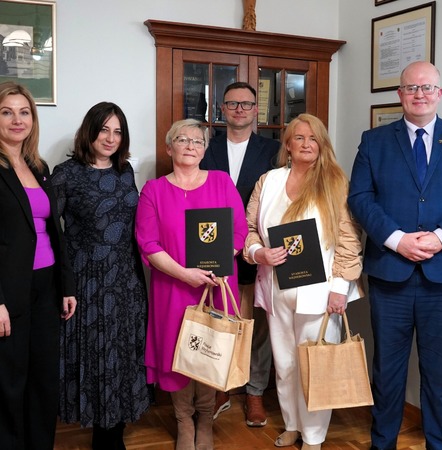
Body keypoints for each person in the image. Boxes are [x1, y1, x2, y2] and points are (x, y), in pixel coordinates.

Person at [244, 113, 363, 449]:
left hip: (321, 291)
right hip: (276, 287)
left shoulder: (335, 182)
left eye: (313, 138)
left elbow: (349, 239)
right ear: (288, 145)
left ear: (322, 144)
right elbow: (249, 229)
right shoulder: (268, 181)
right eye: (299, 138)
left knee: (315, 366)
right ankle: (293, 424)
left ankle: (313, 437)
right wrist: (257, 253)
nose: (306, 144)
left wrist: (340, 288)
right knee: (285, 364)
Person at [348, 61, 442, 450]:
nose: (419, 94)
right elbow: (360, 198)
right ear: (400, 94)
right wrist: (396, 239)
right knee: (387, 373)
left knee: (441, 374)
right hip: (391, 274)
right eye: (411, 88)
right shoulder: (374, 141)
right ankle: (382, 443)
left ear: (439, 93)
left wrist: (441, 237)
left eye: (427, 88)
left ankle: (440, 443)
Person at [135, 118, 248, 450]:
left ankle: (205, 419)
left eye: (198, 141)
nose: (190, 146)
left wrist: (218, 262)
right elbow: (148, 244)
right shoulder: (153, 190)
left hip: (216, 285)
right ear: (169, 148)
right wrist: (185, 274)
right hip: (173, 287)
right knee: (177, 351)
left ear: (204, 149)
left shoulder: (221, 182)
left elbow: (239, 231)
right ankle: (184, 420)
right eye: (183, 140)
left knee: (212, 347)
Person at [51, 102, 149, 449]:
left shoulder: (125, 171)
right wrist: (63, 284)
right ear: (89, 131)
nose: (111, 138)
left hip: (126, 279)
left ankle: (114, 432)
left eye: (118, 131)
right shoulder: (66, 174)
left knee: (122, 353)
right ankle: (99, 434)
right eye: (104, 129)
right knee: (94, 354)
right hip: (87, 280)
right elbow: (52, 233)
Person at [0, 81, 77, 450]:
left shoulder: (38, 166)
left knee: (43, 377)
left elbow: (53, 230)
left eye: (24, 112)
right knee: (9, 380)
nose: (17, 120)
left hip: (46, 287)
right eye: (6, 112)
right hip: (9, 289)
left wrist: (66, 286)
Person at [200, 81, 279, 427]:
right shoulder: (206, 147)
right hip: (212, 244)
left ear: (255, 110)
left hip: (257, 245)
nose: (239, 110)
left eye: (246, 104)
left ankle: (255, 391)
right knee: (219, 318)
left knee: (257, 325)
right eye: (232, 104)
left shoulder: (274, 149)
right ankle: (221, 386)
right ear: (222, 109)